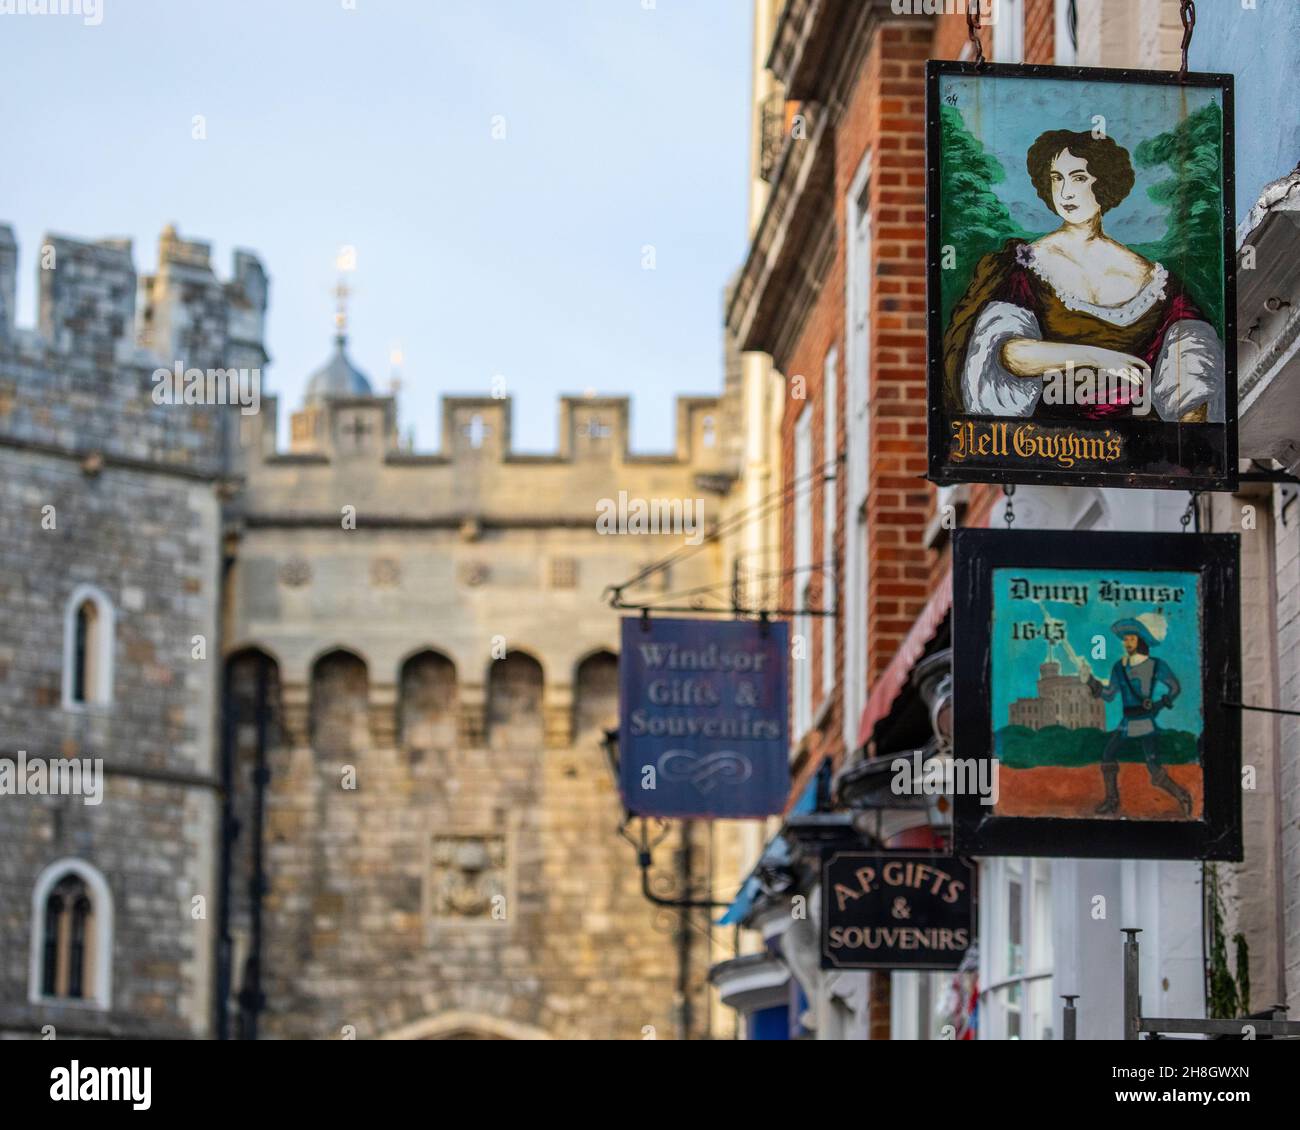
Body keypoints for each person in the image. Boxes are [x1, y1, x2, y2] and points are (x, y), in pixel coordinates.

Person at [943, 129, 1224, 423]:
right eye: (1056, 178)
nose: (1065, 193)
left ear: (1103, 182)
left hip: (1140, 448)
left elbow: (1192, 357)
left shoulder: (1153, 279)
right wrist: (1099, 357)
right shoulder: (1028, 264)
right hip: (1048, 444)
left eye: (1078, 178)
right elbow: (1008, 353)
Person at [1077, 610, 1192, 817]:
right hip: (1127, 721)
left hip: (1145, 721)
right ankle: (1112, 801)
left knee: (1154, 767)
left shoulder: (1156, 665)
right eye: (1125, 639)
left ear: (1140, 640)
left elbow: (1174, 687)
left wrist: (1159, 704)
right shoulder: (1118, 668)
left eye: (1131, 638)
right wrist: (1090, 681)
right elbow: (1110, 694)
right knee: (1108, 755)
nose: (1126, 642)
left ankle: (1182, 795)